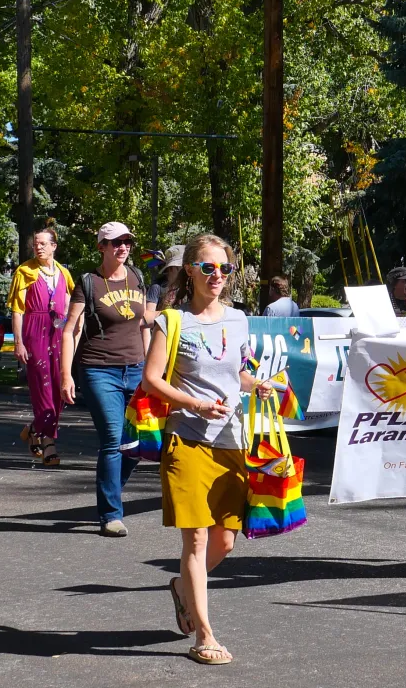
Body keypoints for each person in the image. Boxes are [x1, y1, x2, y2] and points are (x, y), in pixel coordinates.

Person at [143, 233, 261, 666]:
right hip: (187, 439)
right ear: (190, 269)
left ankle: (180, 588)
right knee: (195, 539)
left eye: (224, 269)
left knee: (225, 542)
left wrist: (257, 384)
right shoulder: (171, 322)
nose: (217, 276)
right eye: (208, 267)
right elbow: (152, 379)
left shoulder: (239, 319)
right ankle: (205, 635)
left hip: (230, 441)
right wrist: (194, 403)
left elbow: (238, 373)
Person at [60, 221, 150, 536]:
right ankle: (111, 514)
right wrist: (65, 375)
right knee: (113, 439)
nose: (122, 247)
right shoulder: (89, 282)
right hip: (99, 369)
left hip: (136, 369)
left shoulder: (137, 277)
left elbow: (143, 326)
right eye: (115, 243)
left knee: (137, 444)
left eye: (127, 242)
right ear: (102, 247)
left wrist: (151, 368)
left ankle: (109, 487)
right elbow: (70, 330)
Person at [8, 226, 76, 468]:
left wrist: (73, 332)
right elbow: (17, 308)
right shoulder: (25, 271)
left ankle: (35, 428)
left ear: (54, 246)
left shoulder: (63, 273)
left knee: (60, 387)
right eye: (35, 244)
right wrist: (18, 342)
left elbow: (70, 306)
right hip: (35, 331)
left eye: (43, 243)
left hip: (58, 333)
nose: (38, 247)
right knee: (42, 386)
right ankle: (49, 443)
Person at [147, 244, 185, 317]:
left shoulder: (187, 288)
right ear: (170, 268)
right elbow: (148, 316)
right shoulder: (157, 287)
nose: (184, 271)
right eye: (180, 267)